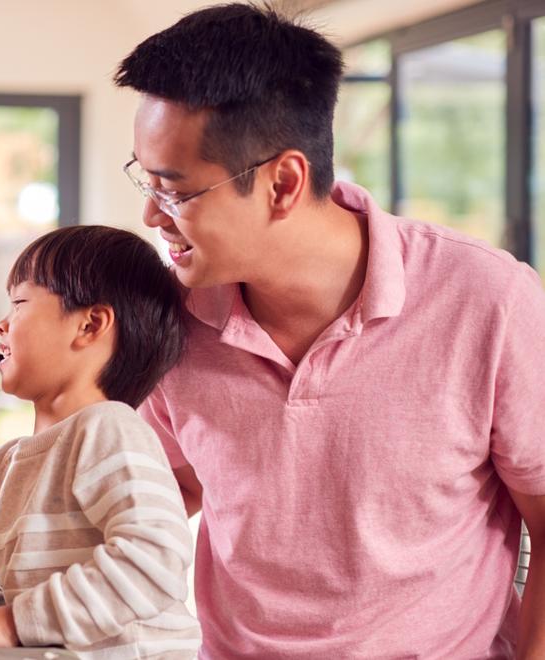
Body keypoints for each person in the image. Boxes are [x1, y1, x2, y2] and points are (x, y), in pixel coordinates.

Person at [110, 3, 543, 657]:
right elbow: (184, 483)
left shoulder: (488, 299)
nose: (150, 213)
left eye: (175, 190)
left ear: (283, 182)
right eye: (145, 178)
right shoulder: (171, 316)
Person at [0, 225, 202, 657]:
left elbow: (154, 563)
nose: (1, 323)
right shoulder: (3, 467)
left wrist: (12, 622)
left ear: (90, 324)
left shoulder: (109, 430)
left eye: (19, 303)